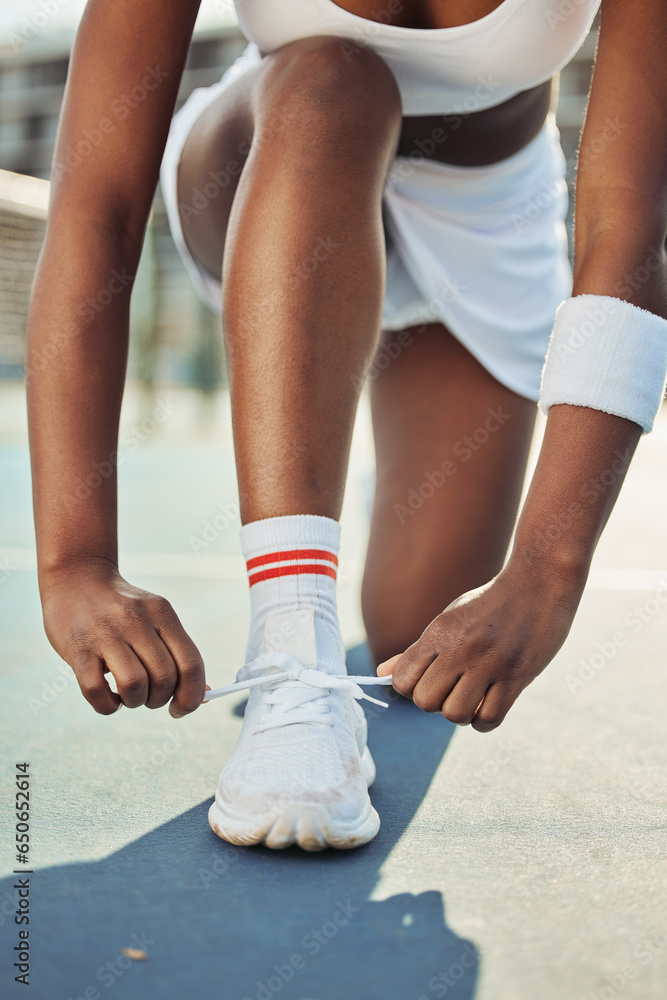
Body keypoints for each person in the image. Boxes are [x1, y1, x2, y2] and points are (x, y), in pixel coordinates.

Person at [26, 0, 667, 851]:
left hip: (487, 215)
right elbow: (94, 207)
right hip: (273, 156)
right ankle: (292, 647)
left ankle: (348, 414)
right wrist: (74, 561)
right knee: (334, 77)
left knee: (422, 639)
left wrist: (549, 566)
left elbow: (629, 230)